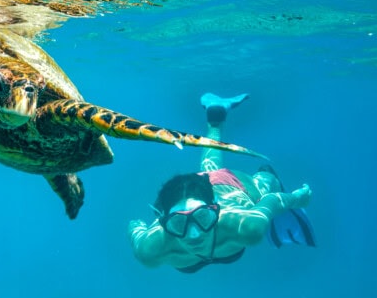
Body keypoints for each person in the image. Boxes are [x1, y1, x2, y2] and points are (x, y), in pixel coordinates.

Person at [128, 93, 315, 273]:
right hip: (197, 191)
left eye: (202, 217)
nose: (194, 235)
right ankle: (215, 117)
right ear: (163, 222)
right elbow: (136, 231)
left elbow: (273, 200)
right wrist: (136, 226)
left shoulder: (247, 225)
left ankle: (220, 125)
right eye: (178, 223)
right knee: (209, 170)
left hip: (230, 188)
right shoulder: (150, 250)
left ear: (216, 208)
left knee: (266, 182)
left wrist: (297, 199)